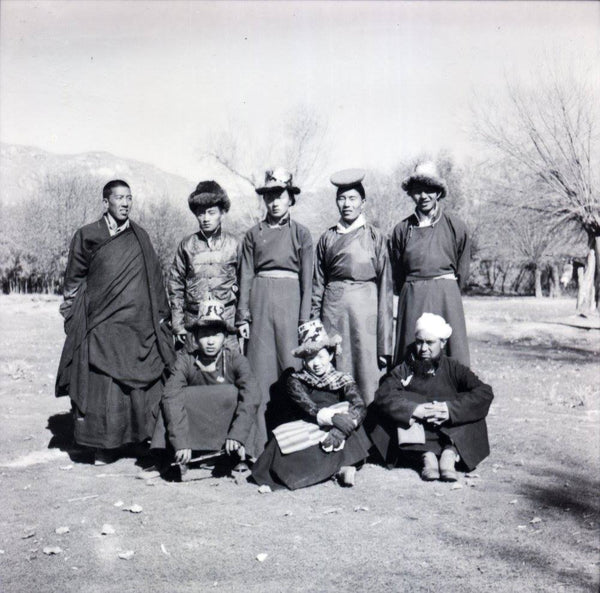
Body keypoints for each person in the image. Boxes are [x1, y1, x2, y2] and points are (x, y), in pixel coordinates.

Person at [56, 179, 175, 465]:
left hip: (138, 324)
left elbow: (155, 279)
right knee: (104, 386)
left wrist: (160, 315)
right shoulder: (87, 235)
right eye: (119, 197)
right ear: (105, 202)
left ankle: (135, 440)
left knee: (139, 385)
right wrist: (73, 315)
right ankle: (103, 446)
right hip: (101, 322)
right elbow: (73, 279)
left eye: (129, 198)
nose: (125, 203)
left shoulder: (140, 237)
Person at [236, 168, 313, 456]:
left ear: (290, 198)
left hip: (290, 306)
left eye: (280, 195)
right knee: (258, 371)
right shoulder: (252, 234)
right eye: (269, 196)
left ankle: (293, 444)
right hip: (259, 303)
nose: (274, 202)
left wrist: (304, 320)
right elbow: (244, 275)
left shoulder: (302, 234)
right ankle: (255, 445)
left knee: (290, 368)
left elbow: (308, 280)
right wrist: (242, 316)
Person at [367, 313, 493, 481]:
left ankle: (449, 454)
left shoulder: (453, 368)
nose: (423, 349)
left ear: (443, 342)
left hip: (448, 431)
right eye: (419, 342)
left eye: (430, 343)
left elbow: (484, 392)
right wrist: (415, 410)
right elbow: (383, 394)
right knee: (384, 407)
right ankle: (427, 456)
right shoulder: (406, 367)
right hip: (418, 432)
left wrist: (449, 410)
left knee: (474, 407)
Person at [251, 320, 370, 490]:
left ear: (330, 355)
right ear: (304, 360)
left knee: (350, 417)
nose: (316, 363)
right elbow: (307, 406)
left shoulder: (343, 379)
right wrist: (332, 418)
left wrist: (342, 428)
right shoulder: (296, 380)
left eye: (320, 356)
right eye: (310, 358)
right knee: (280, 444)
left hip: (338, 429)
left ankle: (340, 468)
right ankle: (336, 470)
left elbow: (359, 405)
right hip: (310, 423)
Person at [151, 300, 261, 477]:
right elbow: (171, 396)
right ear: (195, 337)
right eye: (204, 334)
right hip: (192, 424)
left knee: (236, 394)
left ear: (225, 337)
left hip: (227, 424)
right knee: (173, 399)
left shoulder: (236, 360)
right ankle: (173, 456)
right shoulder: (185, 361)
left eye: (216, 335)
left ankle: (238, 456)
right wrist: (181, 442)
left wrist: (238, 434)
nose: (210, 341)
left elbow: (252, 394)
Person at [311, 169, 393, 404]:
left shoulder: (376, 238)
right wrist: (315, 334)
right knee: (334, 369)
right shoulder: (327, 238)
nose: (347, 204)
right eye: (342, 198)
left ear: (363, 203)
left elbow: (386, 291)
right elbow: (317, 285)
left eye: (353, 198)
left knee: (367, 375)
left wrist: (385, 346)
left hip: (366, 316)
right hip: (333, 314)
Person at [389, 161, 471, 366]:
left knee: (451, 355)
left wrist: (446, 290)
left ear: (438, 192)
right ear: (411, 194)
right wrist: (411, 290)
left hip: (446, 298)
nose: (423, 196)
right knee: (411, 353)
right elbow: (397, 273)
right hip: (412, 297)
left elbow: (462, 269)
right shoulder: (401, 230)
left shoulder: (456, 226)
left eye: (429, 190)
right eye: (417, 191)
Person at [168, 180, 239, 349]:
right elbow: (175, 285)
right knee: (192, 371)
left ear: (222, 213)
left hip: (226, 321)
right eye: (201, 213)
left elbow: (245, 284)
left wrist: (242, 320)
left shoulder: (234, 244)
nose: (206, 218)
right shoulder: (186, 245)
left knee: (228, 370)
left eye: (211, 212)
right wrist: (178, 324)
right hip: (193, 322)